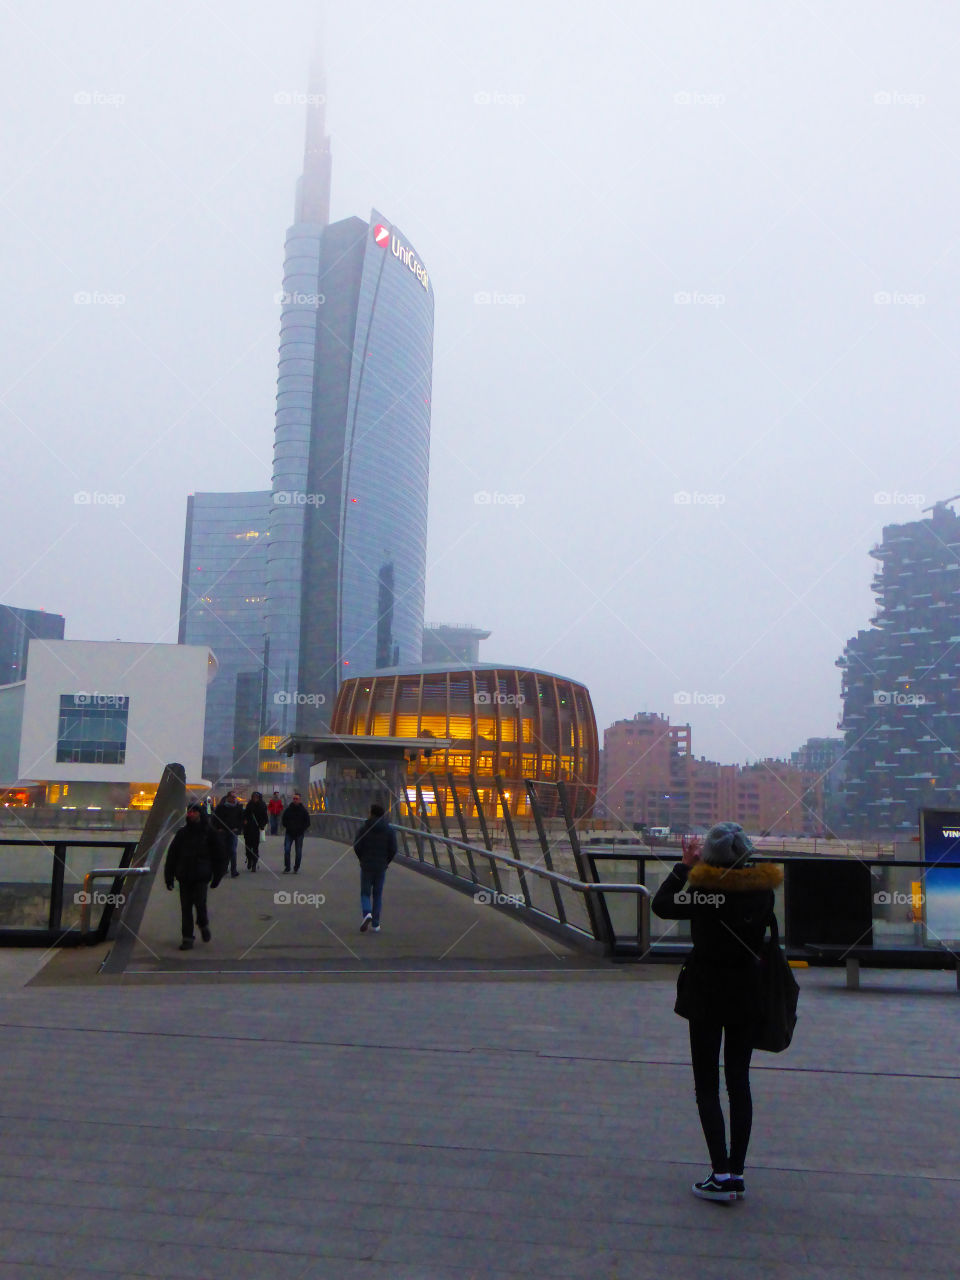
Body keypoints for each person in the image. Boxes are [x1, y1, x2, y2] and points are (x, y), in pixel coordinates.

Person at [651, 822, 782, 1203]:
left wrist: (685, 868)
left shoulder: (706, 891)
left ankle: (720, 1172)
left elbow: (662, 906)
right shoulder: (762, 891)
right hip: (747, 993)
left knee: (707, 1084)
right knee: (739, 1082)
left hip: (707, 994)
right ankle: (736, 1172)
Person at [163, 802, 224, 950]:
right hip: (184, 875)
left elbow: (219, 856)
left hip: (201, 876)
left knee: (200, 904)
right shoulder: (182, 834)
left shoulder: (210, 833)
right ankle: (187, 938)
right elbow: (172, 856)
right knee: (186, 908)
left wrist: (217, 876)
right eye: (189, 812)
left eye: (194, 812)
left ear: (200, 814)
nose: (190, 814)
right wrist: (169, 876)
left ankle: (203, 924)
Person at [352, 802, 398, 933]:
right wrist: (386, 861)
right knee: (377, 894)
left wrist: (362, 858)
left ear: (371, 813)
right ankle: (376, 924)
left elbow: (357, 845)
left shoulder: (364, 828)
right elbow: (393, 849)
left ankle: (367, 913)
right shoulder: (389, 830)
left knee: (365, 893)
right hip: (381, 866)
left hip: (366, 865)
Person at [213, 790, 244, 878]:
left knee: (233, 851)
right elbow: (215, 819)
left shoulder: (238, 807)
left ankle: (233, 870)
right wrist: (218, 829)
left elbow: (241, 820)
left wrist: (238, 829)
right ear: (228, 798)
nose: (234, 799)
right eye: (233, 797)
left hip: (233, 832)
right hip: (222, 832)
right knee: (224, 851)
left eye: (235, 797)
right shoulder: (221, 807)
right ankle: (223, 868)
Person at [281, 791, 311, 873]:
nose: (295, 800)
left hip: (299, 834)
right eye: (294, 798)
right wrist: (287, 826)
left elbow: (307, 822)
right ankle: (287, 867)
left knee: (298, 852)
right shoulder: (288, 810)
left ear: (300, 800)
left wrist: (302, 829)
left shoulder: (304, 811)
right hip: (289, 833)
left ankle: (296, 867)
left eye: (296, 799)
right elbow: (284, 820)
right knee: (287, 850)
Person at [242, 791, 268, 871]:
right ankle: (249, 859)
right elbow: (245, 814)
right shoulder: (249, 804)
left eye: (256, 797)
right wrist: (245, 820)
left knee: (255, 847)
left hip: (257, 829)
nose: (255, 799)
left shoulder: (262, 805)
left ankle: (254, 863)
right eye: (254, 797)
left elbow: (265, 818)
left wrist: (262, 826)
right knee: (248, 846)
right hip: (248, 829)